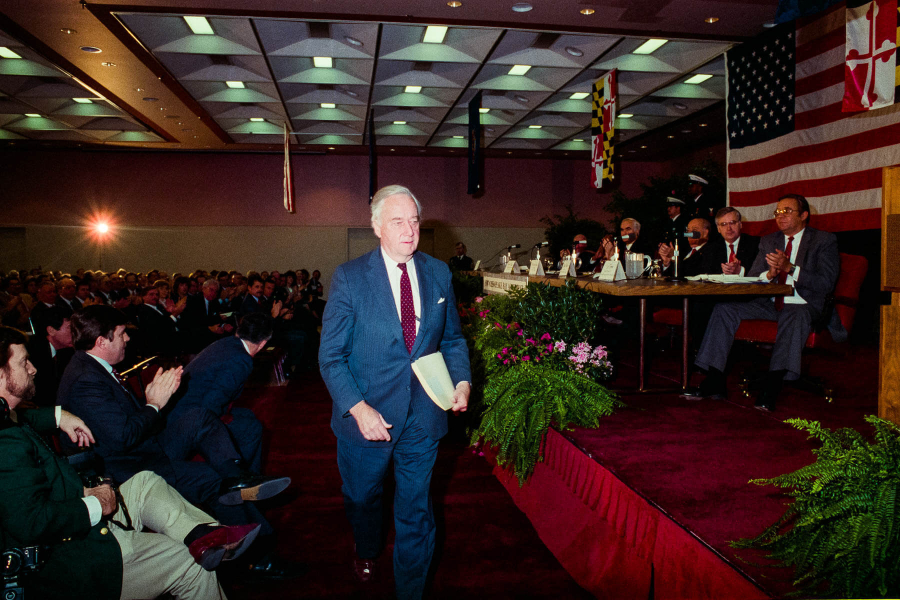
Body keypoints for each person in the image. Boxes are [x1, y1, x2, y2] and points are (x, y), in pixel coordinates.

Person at [0, 325, 260, 600]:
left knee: (147, 482)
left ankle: (208, 536)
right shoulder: (7, 444)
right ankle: (211, 541)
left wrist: (56, 416)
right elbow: (31, 523)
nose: (32, 368)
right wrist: (95, 503)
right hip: (71, 558)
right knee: (189, 561)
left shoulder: (9, 418)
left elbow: (19, 423)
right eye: (22, 362)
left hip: (83, 497)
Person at [319, 184, 471, 600]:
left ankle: (411, 591)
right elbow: (330, 357)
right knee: (362, 499)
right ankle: (366, 546)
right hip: (367, 421)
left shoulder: (439, 273)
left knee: (416, 512)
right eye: (398, 221)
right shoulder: (350, 278)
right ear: (376, 227)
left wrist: (462, 380)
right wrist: (359, 409)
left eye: (414, 220)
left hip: (423, 417)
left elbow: (453, 340)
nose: (409, 230)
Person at [57, 305, 291, 550]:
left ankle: (239, 478)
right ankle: (260, 553)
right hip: (130, 467)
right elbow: (123, 438)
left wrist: (156, 403)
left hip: (143, 445)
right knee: (211, 479)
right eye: (122, 333)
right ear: (102, 341)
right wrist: (154, 404)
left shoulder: (92, 367)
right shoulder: (86, 380)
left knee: (198, 417)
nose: (128, 338)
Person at [686, 194, 840, 411]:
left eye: (787, 211)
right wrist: (770, 274)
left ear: (804, 215)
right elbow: (757, 277)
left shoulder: (823, 240)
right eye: (778, 212)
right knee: (724, 309)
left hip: (804, 304)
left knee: (793, 313)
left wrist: (791, 268)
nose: (781, 216)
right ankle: (714, 378)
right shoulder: (770, 240)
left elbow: (826, 283)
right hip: (770, 302)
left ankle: (773, 385)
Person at [168, 312, 273, 474]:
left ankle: (242, 471)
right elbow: (211, 404)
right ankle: (242, 481)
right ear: (263, 343)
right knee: (252, 429)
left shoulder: (227, 343)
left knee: (248, 416)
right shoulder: (241, 360)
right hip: (187, 420)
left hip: (180, 409)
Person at [710, 206, 760, 276]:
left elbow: (762, 272)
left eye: (732, 223)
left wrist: (740, 271)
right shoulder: (711, 248)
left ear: (740, 225)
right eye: (723, 224)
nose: (728, 228)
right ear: (718, 229)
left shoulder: (756, 244)